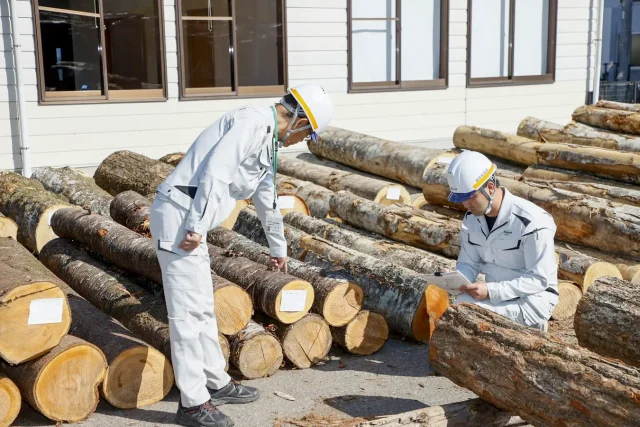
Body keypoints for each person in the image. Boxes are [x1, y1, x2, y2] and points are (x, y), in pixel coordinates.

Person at [149, 84, 334, 427]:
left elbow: (267, 198)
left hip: (192, 220)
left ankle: (215, 382)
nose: (300, 141)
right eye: (306, 134)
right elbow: (216, 172)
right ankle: (192, 404)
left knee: (203, 305)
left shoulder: (268, 140)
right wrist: (196, 227)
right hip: (181, 217)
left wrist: (278, 248)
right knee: (186, 315)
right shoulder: (251, 123)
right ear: (297, 119)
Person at [445, 150, 559, 331]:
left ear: (490, 188)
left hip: (531, 301)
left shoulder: (532, 221)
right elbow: (469, 262)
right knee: (459, 305)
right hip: (495, 295)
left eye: (470, 197)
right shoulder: (471, 219)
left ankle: (534, 329)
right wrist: (455, 281)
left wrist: (491, 291)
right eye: (462, 199)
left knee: (467, 315)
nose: (466, 204)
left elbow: (539, 279)